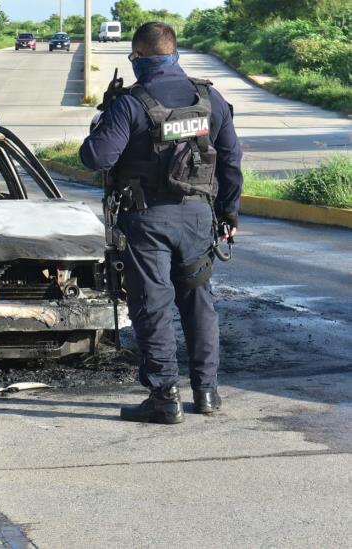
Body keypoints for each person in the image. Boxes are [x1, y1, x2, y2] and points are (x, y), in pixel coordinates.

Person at [80, 22, 243, 424]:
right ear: (175, 54)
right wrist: (230, 212)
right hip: (199, 217)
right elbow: (232, 158)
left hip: (147, 219)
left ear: (137, 58)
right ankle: (206, 392)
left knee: (152, 305)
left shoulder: (131, 103)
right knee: (198, 301)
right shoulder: (209, 99)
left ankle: (165, 396)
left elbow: (96, 159)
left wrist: (102, 122)